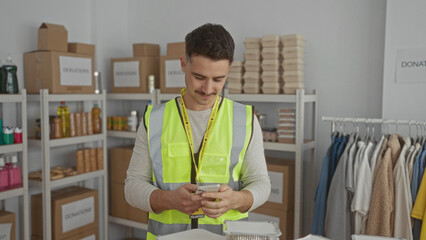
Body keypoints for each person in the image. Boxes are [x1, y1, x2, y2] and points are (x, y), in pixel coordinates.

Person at [125, 23, 271, 239]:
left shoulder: (245, 119)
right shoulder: (154, 119)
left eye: (218, 79)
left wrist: (235, 200)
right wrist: (169, 200)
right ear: (183, 64)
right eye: (199, 77)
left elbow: (261, 183)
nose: (208, 89)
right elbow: (132, 187)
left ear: (228, 70)